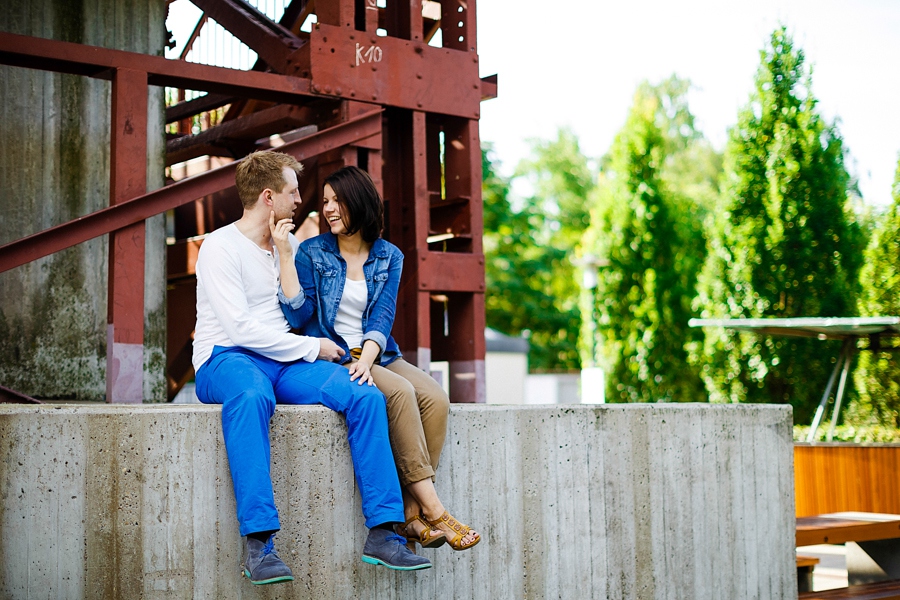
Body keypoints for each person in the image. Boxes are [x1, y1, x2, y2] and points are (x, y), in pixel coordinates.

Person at [192, 152, 431, 586]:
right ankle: (259, 545)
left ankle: (383, 532)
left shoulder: (289, 247)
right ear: (269, 197)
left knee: (364, 394)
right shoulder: (220, 246)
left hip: (284, 359)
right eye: (292, 192)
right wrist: (311, 346)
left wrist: (287, 257)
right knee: (252, 395)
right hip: (225, 358)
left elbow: (298, 312)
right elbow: (239, 328)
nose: (302, 200)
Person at [275, 166, 481, 553]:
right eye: (325, 201)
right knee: (400, 393)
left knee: (435, 399)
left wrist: (367, 362)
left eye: (337, 200)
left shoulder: (390, 256)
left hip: (376, 353)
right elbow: (298, 317)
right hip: (333, 355)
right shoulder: (313, 251)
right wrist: (286, 255)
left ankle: (408, 510)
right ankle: (434, 510)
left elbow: (381, 318)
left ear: (359, 201)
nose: (328, 209)